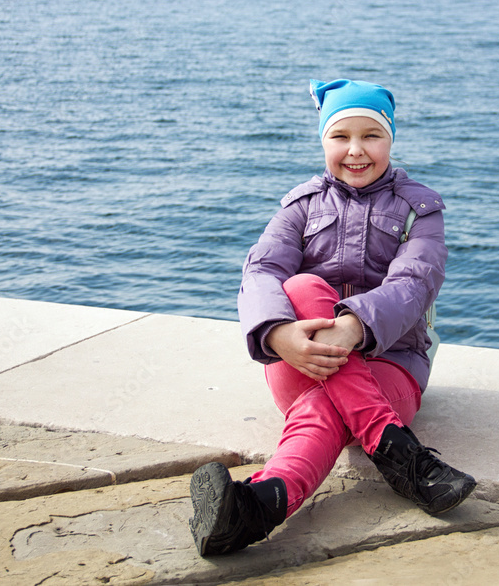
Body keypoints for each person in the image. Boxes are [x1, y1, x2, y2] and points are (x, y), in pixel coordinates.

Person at [189, 79, 476, 557]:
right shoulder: (300, 206)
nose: (356, 150)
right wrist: (278, 333)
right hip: (300, 359)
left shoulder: (418, 209)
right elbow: (260, 270)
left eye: (372, 135)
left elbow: (415, 283)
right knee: (300, 287)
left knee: (321, 413)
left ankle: (255, 508)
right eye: (341, 136)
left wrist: (356, 326)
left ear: (391, 138)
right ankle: (401, 456)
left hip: (392, 363)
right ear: (323, 140)